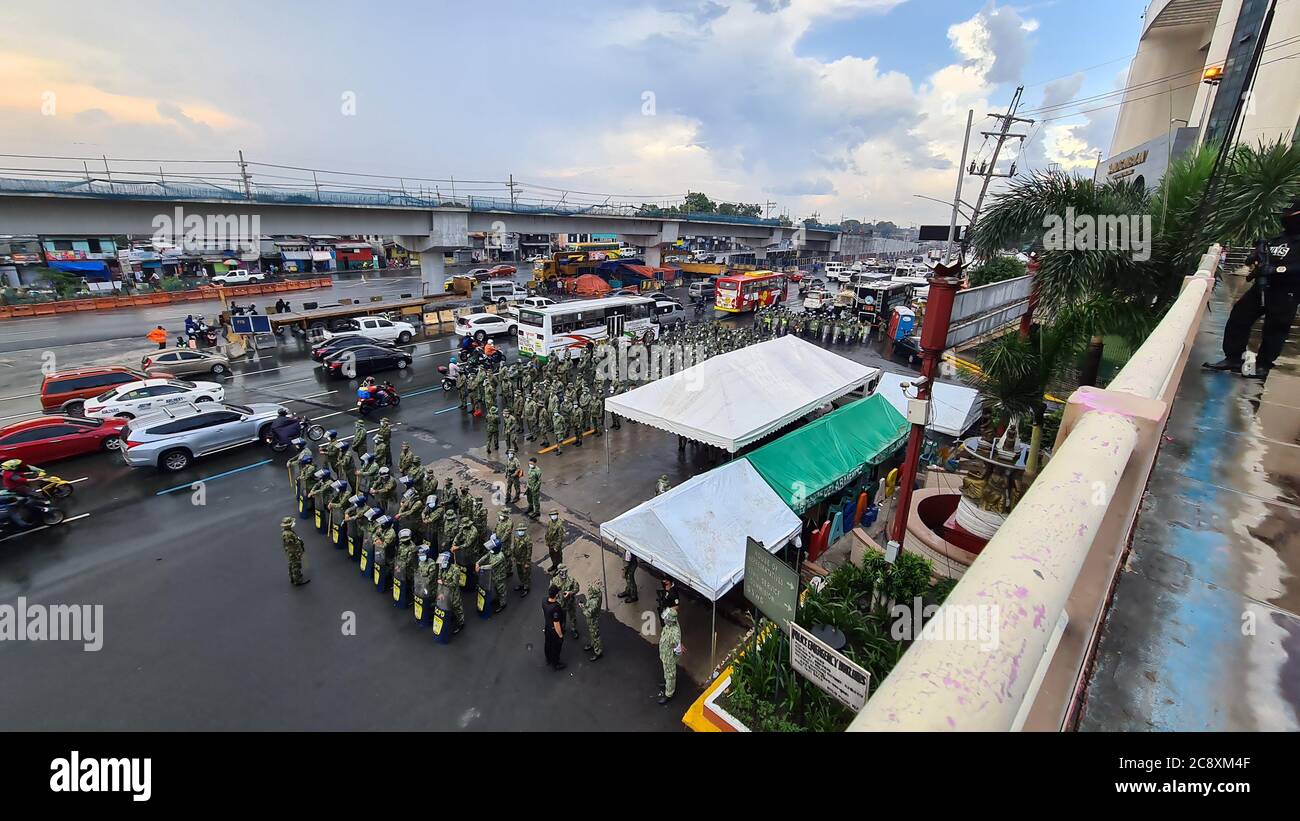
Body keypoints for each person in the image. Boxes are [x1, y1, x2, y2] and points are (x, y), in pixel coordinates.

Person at [1205, 199, 1300, 379]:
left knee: (1275, 329)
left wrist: (1277, 270)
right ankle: (1233, 358)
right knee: (1239, 317)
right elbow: (1262, 255)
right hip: (1262, 287)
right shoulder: (1279, 239)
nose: (1286, 217)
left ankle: (1263, 365)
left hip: (1286, 292)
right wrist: (1255, 257)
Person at [658, 608, 683, 705]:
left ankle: (669, 693)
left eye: (666, 619)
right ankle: (667, 684)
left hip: (669, 657)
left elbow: (677, 648)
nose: (664, 621)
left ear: (670, 620)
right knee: (666, 672)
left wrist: (674, 654)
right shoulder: (669, 625)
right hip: (665, 655)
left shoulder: (675, 632)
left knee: (670, 675)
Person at [551, 563, 580, 639]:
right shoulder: (554, 580)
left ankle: (574, 629)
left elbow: (577, 588)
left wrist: (570, 593)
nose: (564, 573)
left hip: (570, 603)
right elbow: (551, 591)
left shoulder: (571, 579)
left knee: (572, 617)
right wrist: (556, 595)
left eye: (565, 571)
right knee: (561, 617)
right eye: (562, 571)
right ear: (559, 571)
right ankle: (562, 628)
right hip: (560, 604)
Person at [543, 584, 566, 671]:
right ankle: (556, 663)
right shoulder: (555, 608)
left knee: (547, 644)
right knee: (556, 647)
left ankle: (548, 658)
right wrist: (560, 635)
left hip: (547, 627)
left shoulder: (544, 600)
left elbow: (544, 612)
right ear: (556, 595)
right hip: (553, 631)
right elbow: (556, 624)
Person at [281, 517, 309, 587]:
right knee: (296, 565)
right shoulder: (288, 534)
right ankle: (297, 580)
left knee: (291, 564)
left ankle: (292, 578)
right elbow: (292, 545)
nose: (293, 523)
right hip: (294, 553)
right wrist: (298, 552)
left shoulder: (288, 532)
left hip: (292, 553)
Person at [581, 582, 603, 662]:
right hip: (593, 618)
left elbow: (588, 614)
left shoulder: (594, 602)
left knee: (595, 634)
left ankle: (598, 652)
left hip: (593, 619)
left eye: (590, 591)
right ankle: (593, 644)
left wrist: (583, 607)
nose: (588, 592)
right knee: (592, 633)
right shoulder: (597, 594)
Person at [511, 524, 532, 597]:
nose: (520, 532)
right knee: (519, 572)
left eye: (522, 530)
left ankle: (526, 587)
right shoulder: (516, 536)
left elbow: (529, 552)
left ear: (524, 530)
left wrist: (527, 562)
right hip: (518, 559)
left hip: (524, 560)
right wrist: (513, 556)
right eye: (519, 530)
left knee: (526, 573)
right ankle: (522, 583)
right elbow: (514, 547)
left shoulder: (527, 539)